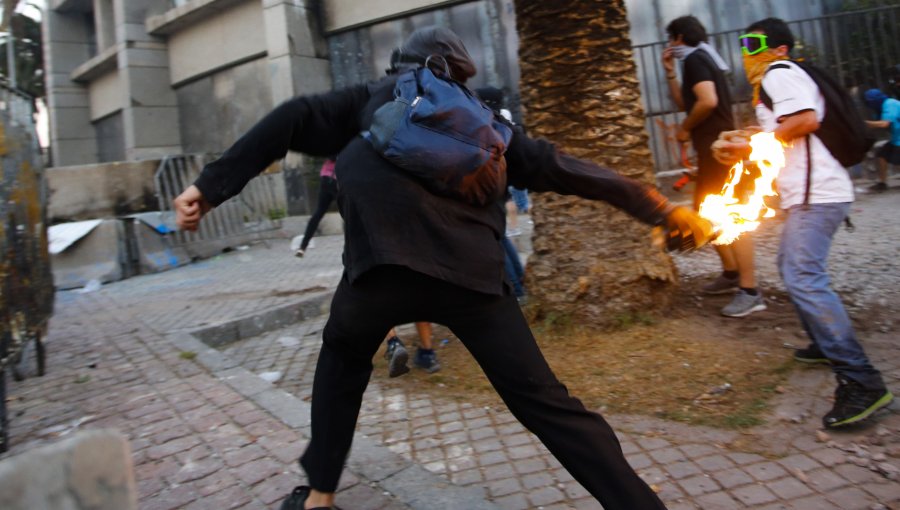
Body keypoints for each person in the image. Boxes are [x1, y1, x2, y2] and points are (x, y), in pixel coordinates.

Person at [174, 26, 713, 510]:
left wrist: (209, 186)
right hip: (472, 279)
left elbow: (290, 119)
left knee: (341, 362)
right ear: (459, 73)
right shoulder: (487, 123)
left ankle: (319, 497)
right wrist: (660, 208)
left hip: (379, 272)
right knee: (545, 403)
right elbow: (563, 168)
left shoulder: (371, 97)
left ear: (403, 65)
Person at [713, 18, 894, 430]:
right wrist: (748, 139)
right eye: (743, 44)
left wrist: (753, 143)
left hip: (819, 194)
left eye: (755, 43)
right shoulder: (780, 80)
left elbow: (806, 120)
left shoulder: (779, 73)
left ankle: (862, 381)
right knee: (794, 268)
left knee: (802, 275)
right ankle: (824, 341)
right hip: (814, 192)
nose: (748, 52)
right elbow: (787, 129)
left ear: (779, 49)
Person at [662, 16, 764, 318]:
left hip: (719, 152)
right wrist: (669, 73)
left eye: (670, 40)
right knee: (706, 215)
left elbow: (706, 102)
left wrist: (684, 129)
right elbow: (689, 102)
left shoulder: (696, 60)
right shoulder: (701, 59)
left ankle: (750, 290)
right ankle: (732, 274)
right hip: (714, 151)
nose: (669, 46)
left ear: (679, 37)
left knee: (730, 216)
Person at [296, 157, 338, 257]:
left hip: (325, 178)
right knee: (349, 215)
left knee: (318, 213)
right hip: (337, 180)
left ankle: (302, 247)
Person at [863, 88, 900, 192]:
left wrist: (864, 123)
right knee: (882, 155)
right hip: (896, 138)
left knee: (895, 159)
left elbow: (884, 124)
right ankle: (882, 183)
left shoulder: (890, 104)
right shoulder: (882, 107)